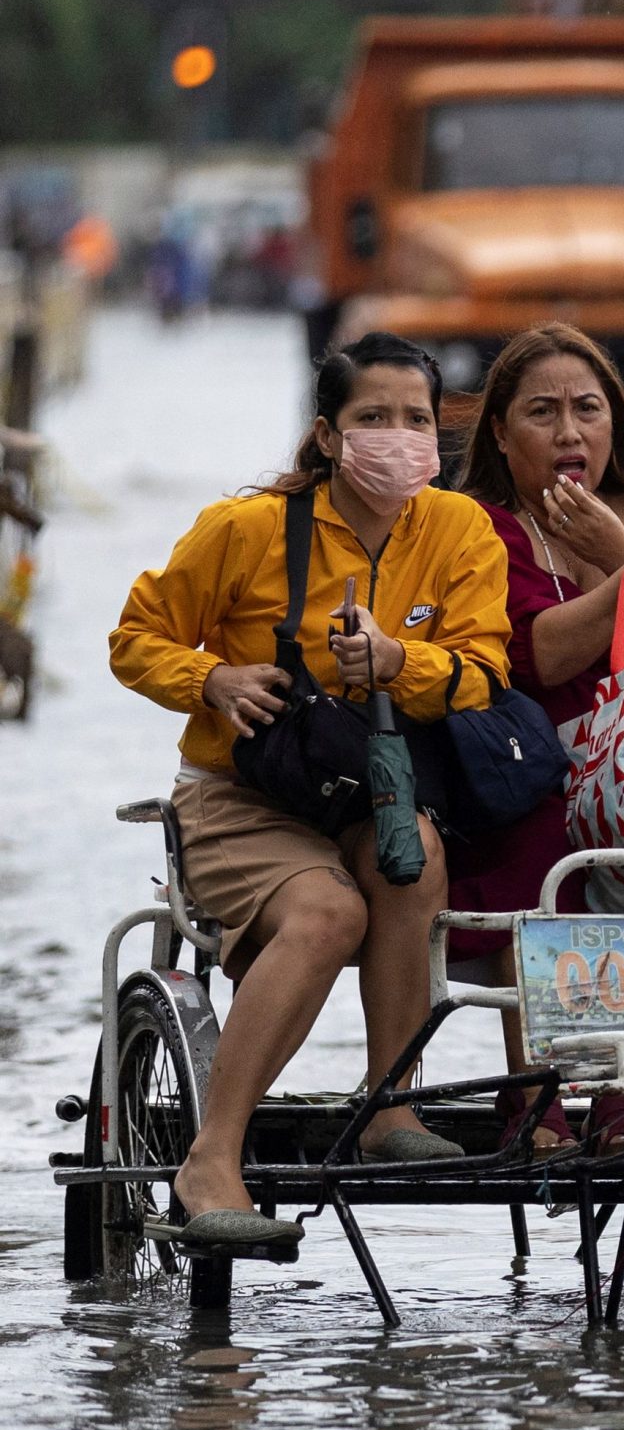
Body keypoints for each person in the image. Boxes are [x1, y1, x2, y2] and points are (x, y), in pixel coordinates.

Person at [109, 333, 509, 1249]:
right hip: (241, 791)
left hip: (367, 782)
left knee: (416, 855)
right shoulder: (244, 529)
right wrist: (212, 680)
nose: (398, 437)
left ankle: (391, 1108)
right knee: (329, 915)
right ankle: (213, 1154)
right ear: (328, 435)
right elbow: (135, 637)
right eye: (374, 418)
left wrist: (402, 660)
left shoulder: (458, 529)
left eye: (416, 419)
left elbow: (483, 672)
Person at [444, 320, 624, 1154]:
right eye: (542, 412)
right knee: (542, 836)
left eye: (587, 409)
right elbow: (536, 653)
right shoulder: (480, 530)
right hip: (531, 770)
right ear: (501, 433)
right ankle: (534, 1090)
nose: (570, 432)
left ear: (617, 421)